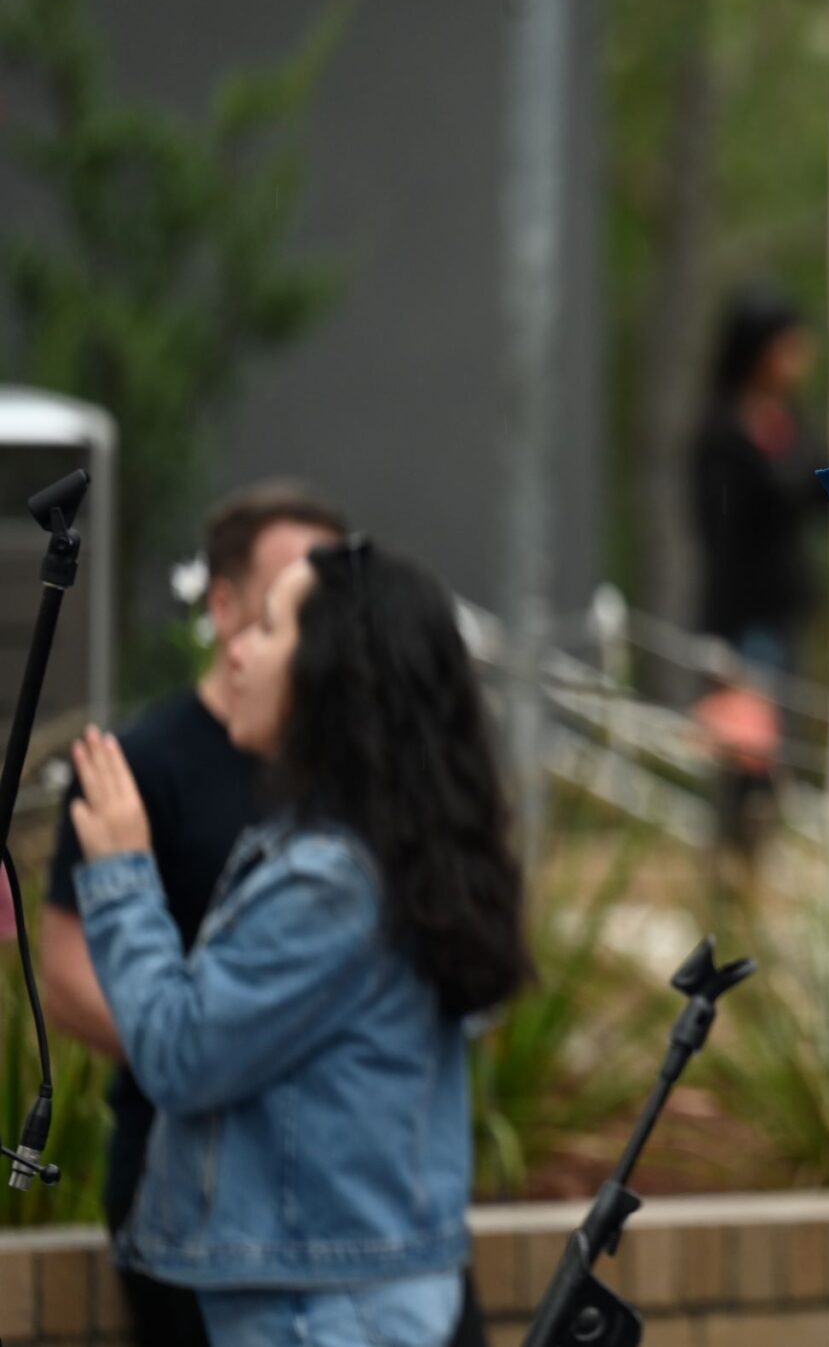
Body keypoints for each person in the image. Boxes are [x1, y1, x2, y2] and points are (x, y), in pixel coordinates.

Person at [66, 537, 531, 1346]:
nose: (235, 650)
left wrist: (122, 874)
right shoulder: (376, 855)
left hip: (323, 1313)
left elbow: (179, 1052)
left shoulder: (331, 881)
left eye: (269, 628)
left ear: (332, 675)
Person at [42, 481, 346, 1347]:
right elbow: (64, 970)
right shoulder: (134, 765)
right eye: (285, 605)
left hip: (323, 1191)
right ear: (224, 609)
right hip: (183, 1185)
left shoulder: (354, 781)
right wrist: (199, 1054)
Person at [691, 285, 827, 675]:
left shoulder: (792, 420)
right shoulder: (725, 434)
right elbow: (722, 534)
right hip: (745, 614)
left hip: (787, 607)